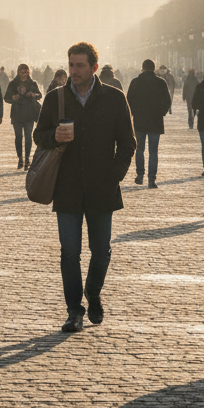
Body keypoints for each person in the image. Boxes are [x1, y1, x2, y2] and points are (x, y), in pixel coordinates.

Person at [33, 41, 135, 333]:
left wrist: (115, 174)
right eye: (71, 65)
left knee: (101, 252)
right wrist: (54, 136)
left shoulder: (114, 98)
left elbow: (127, 142)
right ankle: (74, 311)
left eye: (80, 65)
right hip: (67, 186)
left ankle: (92, 291)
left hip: (103, 186)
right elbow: (39, 136)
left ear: (94, 67)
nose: (74, 71)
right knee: (69, 253)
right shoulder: (56, 98)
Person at [126, 59, 172, 188]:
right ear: (154, 68)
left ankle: (140, 175)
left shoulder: (135, 82)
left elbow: (128, 101)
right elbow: (167, 101)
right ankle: (151, 179)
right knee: (153, 151)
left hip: (139, 121)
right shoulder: (160, 82)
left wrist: (134, 113)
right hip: (155, 121)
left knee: (139, 149)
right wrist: (161, 112)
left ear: (142, 68)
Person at [4, 63, 43, 170]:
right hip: (17, 114)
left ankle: (27, 159)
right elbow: (6, 98)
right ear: (18, 72)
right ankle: (20, 158)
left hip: (29, 114)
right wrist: (13, 98)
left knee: (28, 137)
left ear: (28, 72)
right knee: (18, 137)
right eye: (22, 72)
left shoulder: (32, 83)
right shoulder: (13, 84)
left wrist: (33, 95)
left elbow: (39, 95)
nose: (24, 74)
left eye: (26, 72)